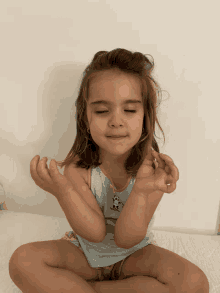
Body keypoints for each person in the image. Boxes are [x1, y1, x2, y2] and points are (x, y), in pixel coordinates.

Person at [9, 48, 208, 293]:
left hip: (134, 255)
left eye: (130, 110)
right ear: (86, 118)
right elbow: (93, 232)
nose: (116, 120)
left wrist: (143, 191)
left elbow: (127, 238)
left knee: (195, 283)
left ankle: (89, 289)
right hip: (82, 254)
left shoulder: (153, 171)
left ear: (146, 116)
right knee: (23, 260)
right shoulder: (77, 168)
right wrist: (62, 190)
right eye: (102, 111)